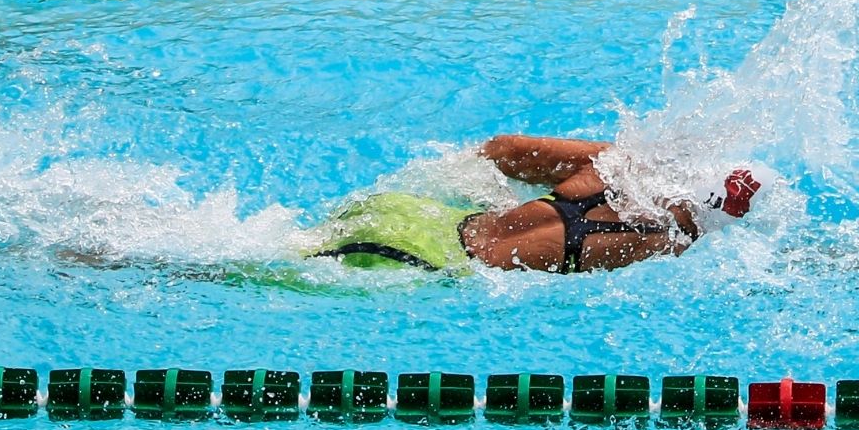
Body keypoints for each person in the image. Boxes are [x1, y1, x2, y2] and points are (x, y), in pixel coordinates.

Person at [304, 135, 760, 275]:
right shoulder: (669, 246)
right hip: (414, 266)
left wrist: (496, 201)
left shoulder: (617, 167)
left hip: (410, 213)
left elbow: (505, 151)